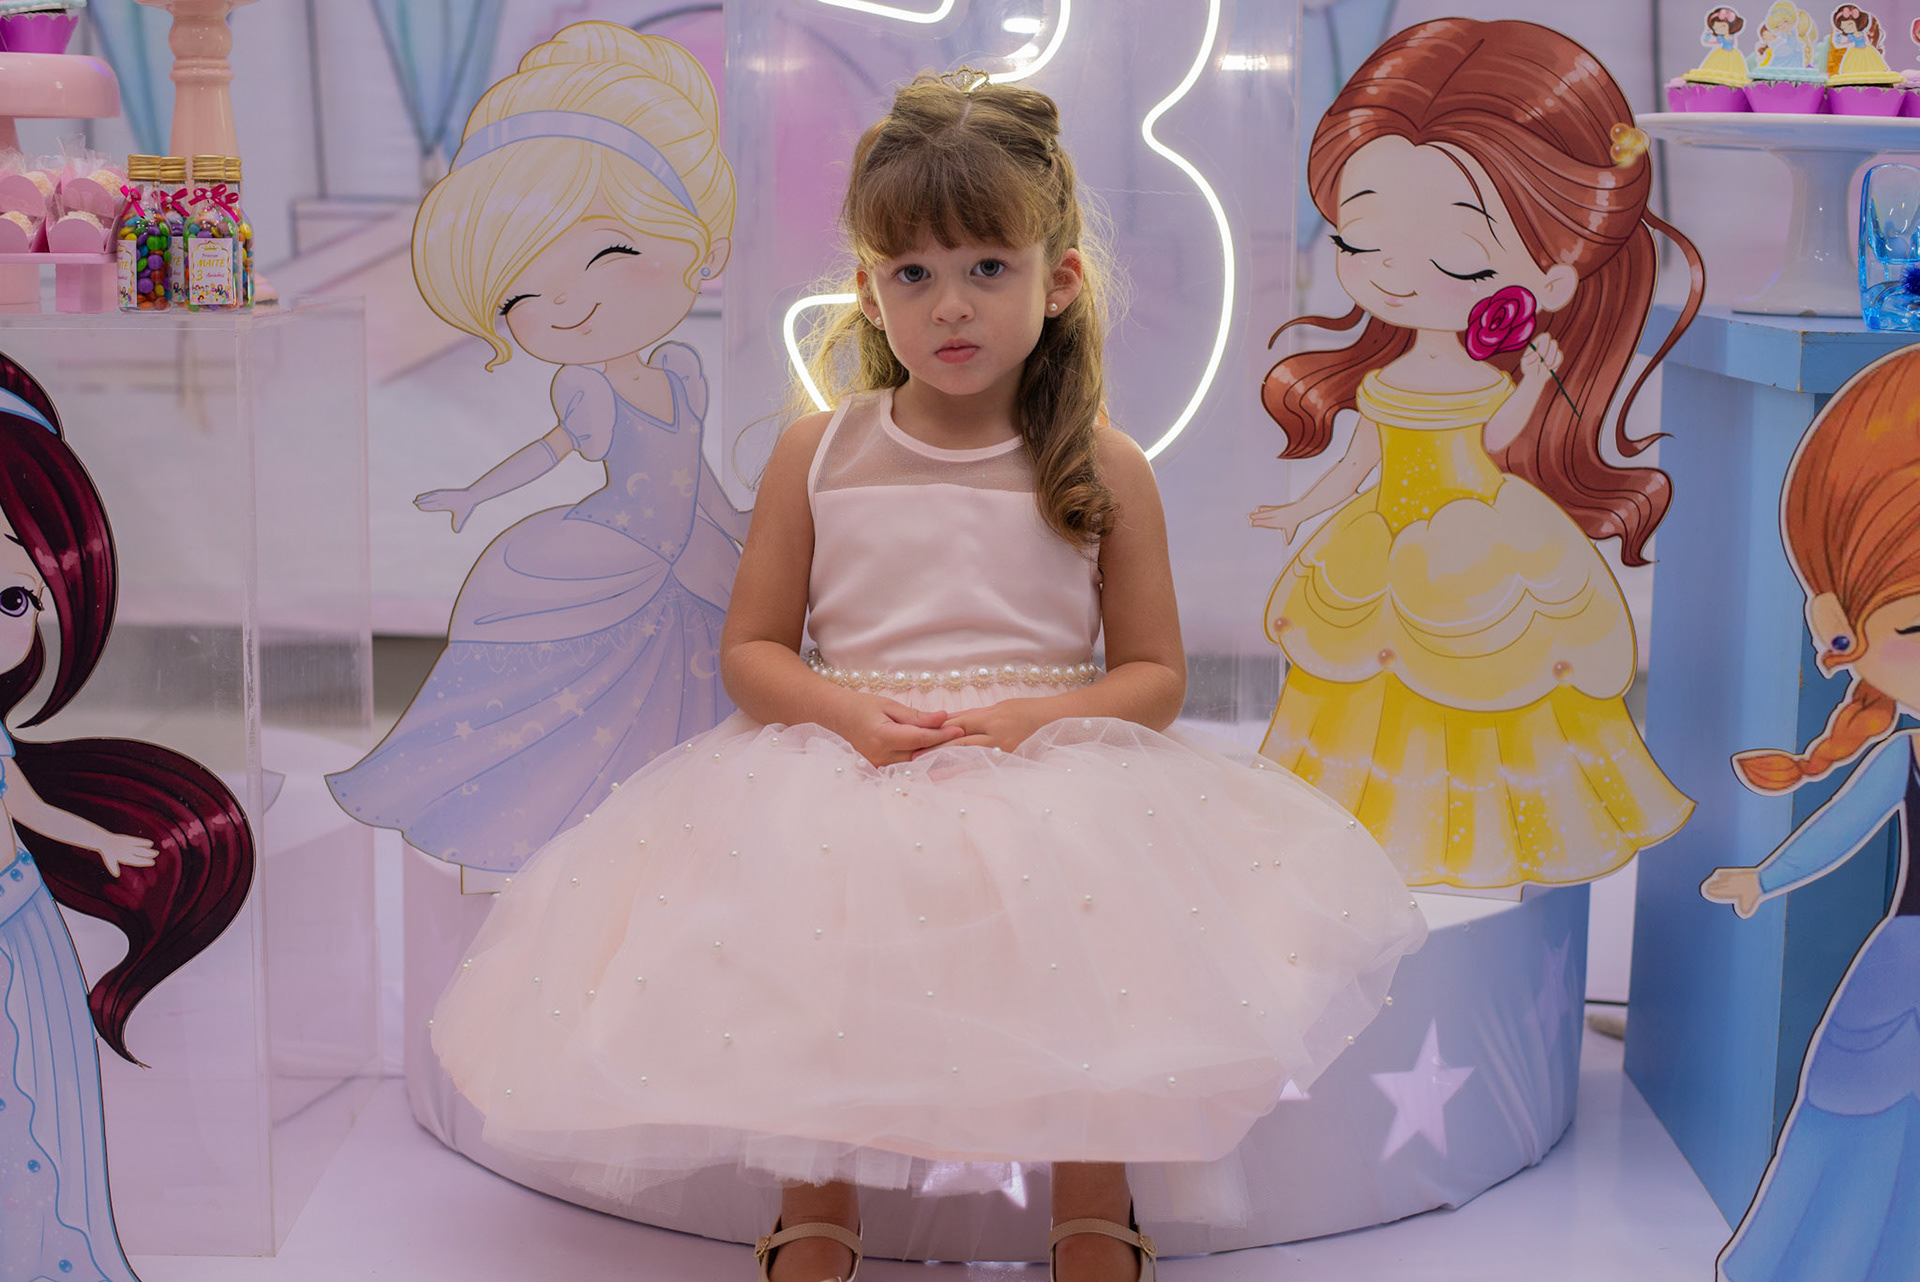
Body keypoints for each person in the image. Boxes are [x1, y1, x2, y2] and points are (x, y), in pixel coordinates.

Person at [429, 69, 1425, 1282]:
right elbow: (753, 650)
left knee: (1093, 959)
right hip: (850, 759)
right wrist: (844, 713)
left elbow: (1154, 674)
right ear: (869, 290)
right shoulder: (821, 451)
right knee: (811, 955)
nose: (950, 304)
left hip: (1047, 762)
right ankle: (817, 1206)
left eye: (987, 267)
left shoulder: (1103, 463)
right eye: (912, 273)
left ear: (1059, 279)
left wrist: (1040, 721)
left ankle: (1093, 1205)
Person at [1249, 18, 1705, 890]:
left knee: (1491, 685)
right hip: (1380, 541)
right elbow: (1358, 461)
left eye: (1458, 257)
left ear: (1554, 279)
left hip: (1481, 547)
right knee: (1367, 690)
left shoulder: (1492, 380)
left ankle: (1483, 847)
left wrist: (1532, 382)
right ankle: (1373, 853)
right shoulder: (1389, 377)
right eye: (1360, 240)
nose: (1394, 274)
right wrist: (1302, 507)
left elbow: (1498, 443)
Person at [327, 23, 745, 873]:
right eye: (518, 293)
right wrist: (474, 494)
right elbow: (553, 452)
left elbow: (690, 469)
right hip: (609, 552)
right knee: (570, 704)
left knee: (689, 692)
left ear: (702, 246)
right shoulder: (585, 387)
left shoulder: (681, 371)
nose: (563, 304)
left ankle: (677, 835)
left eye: (609, 253)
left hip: (690, 552)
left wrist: (740, 520)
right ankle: (550, 841)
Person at [0, 357, 254, 1282]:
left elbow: (25, 803)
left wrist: (102, 838)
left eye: (12, 599)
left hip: (13, 917)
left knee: (32, 1089)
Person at [1701, 346, 1920, 1282]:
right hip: (1909, 977)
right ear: (1844, 637)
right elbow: (1840, 828)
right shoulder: (1902, 756)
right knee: (1865, 1131)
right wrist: (1763, 877)